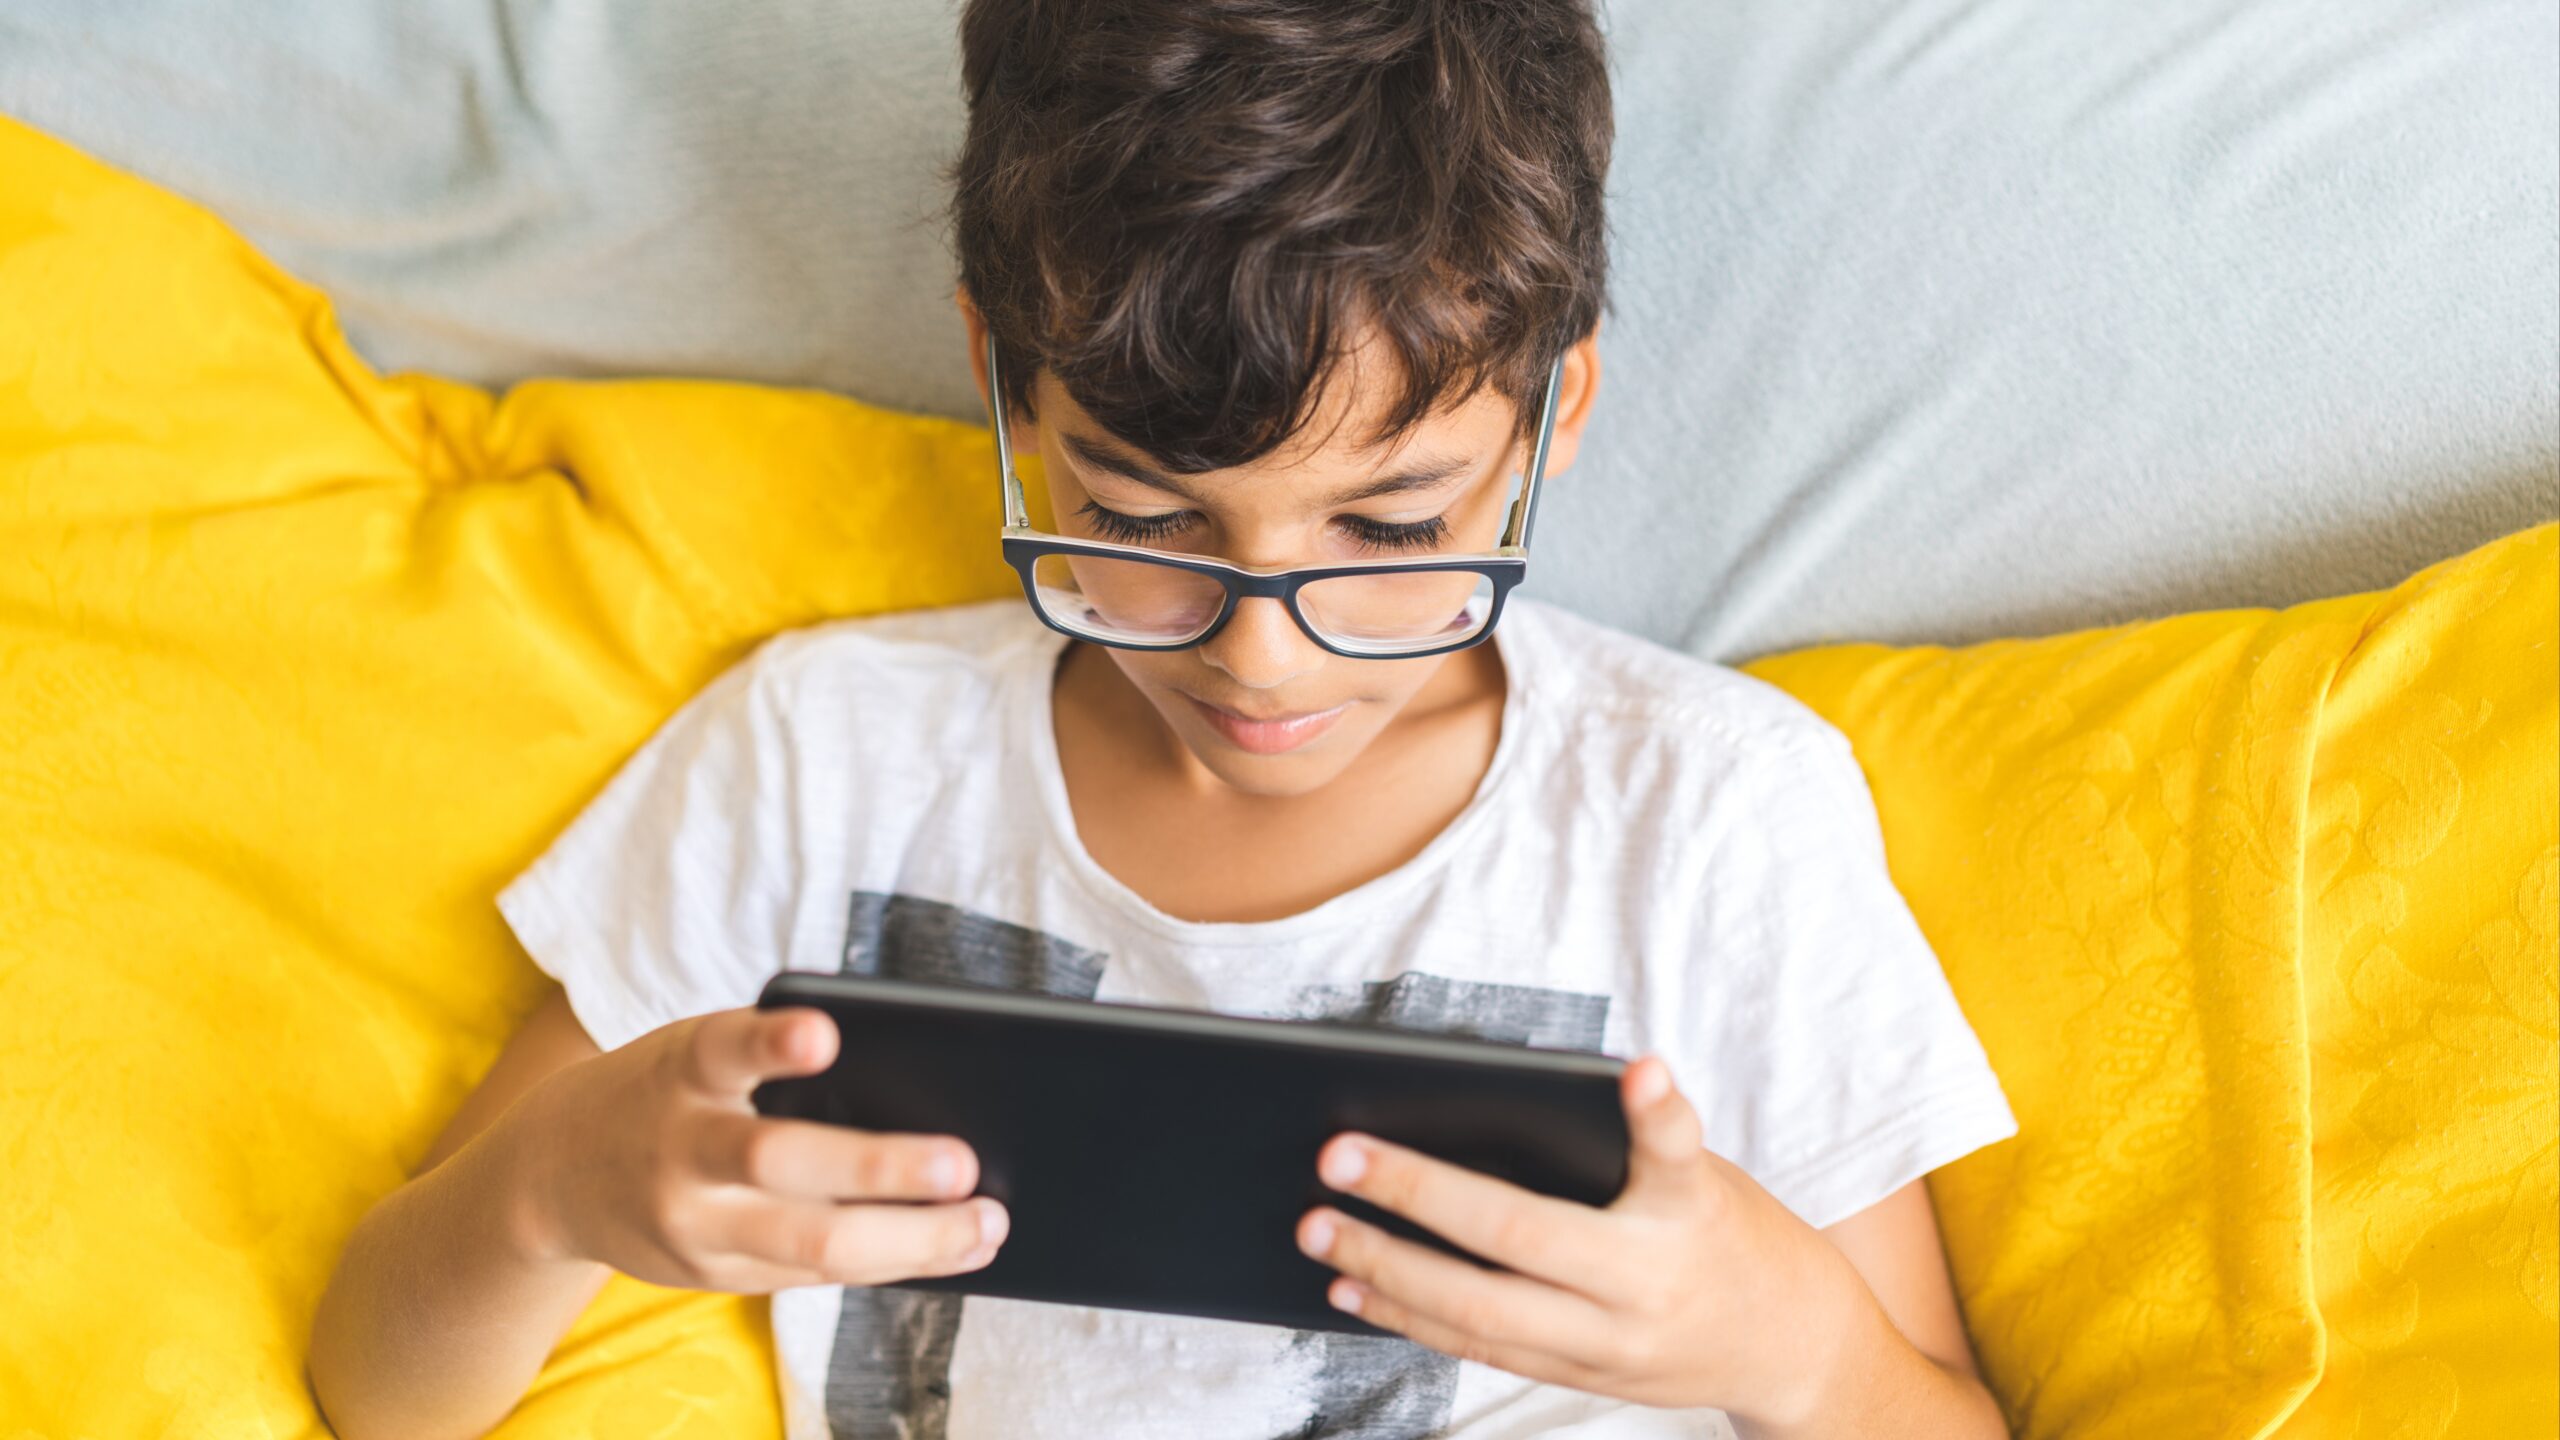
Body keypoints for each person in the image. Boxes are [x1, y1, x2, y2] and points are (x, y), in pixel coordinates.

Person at [310, 2, 2016, 1435]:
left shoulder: (1711, 815)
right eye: (1138, 521)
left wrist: (1791, 1341)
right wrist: (544, 1195)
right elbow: (380, 1388)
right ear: (1003, 388)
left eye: (1394, 529)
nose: (1264, 662)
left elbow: (1933, 1409)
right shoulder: (820, 762)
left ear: (1554, 408)